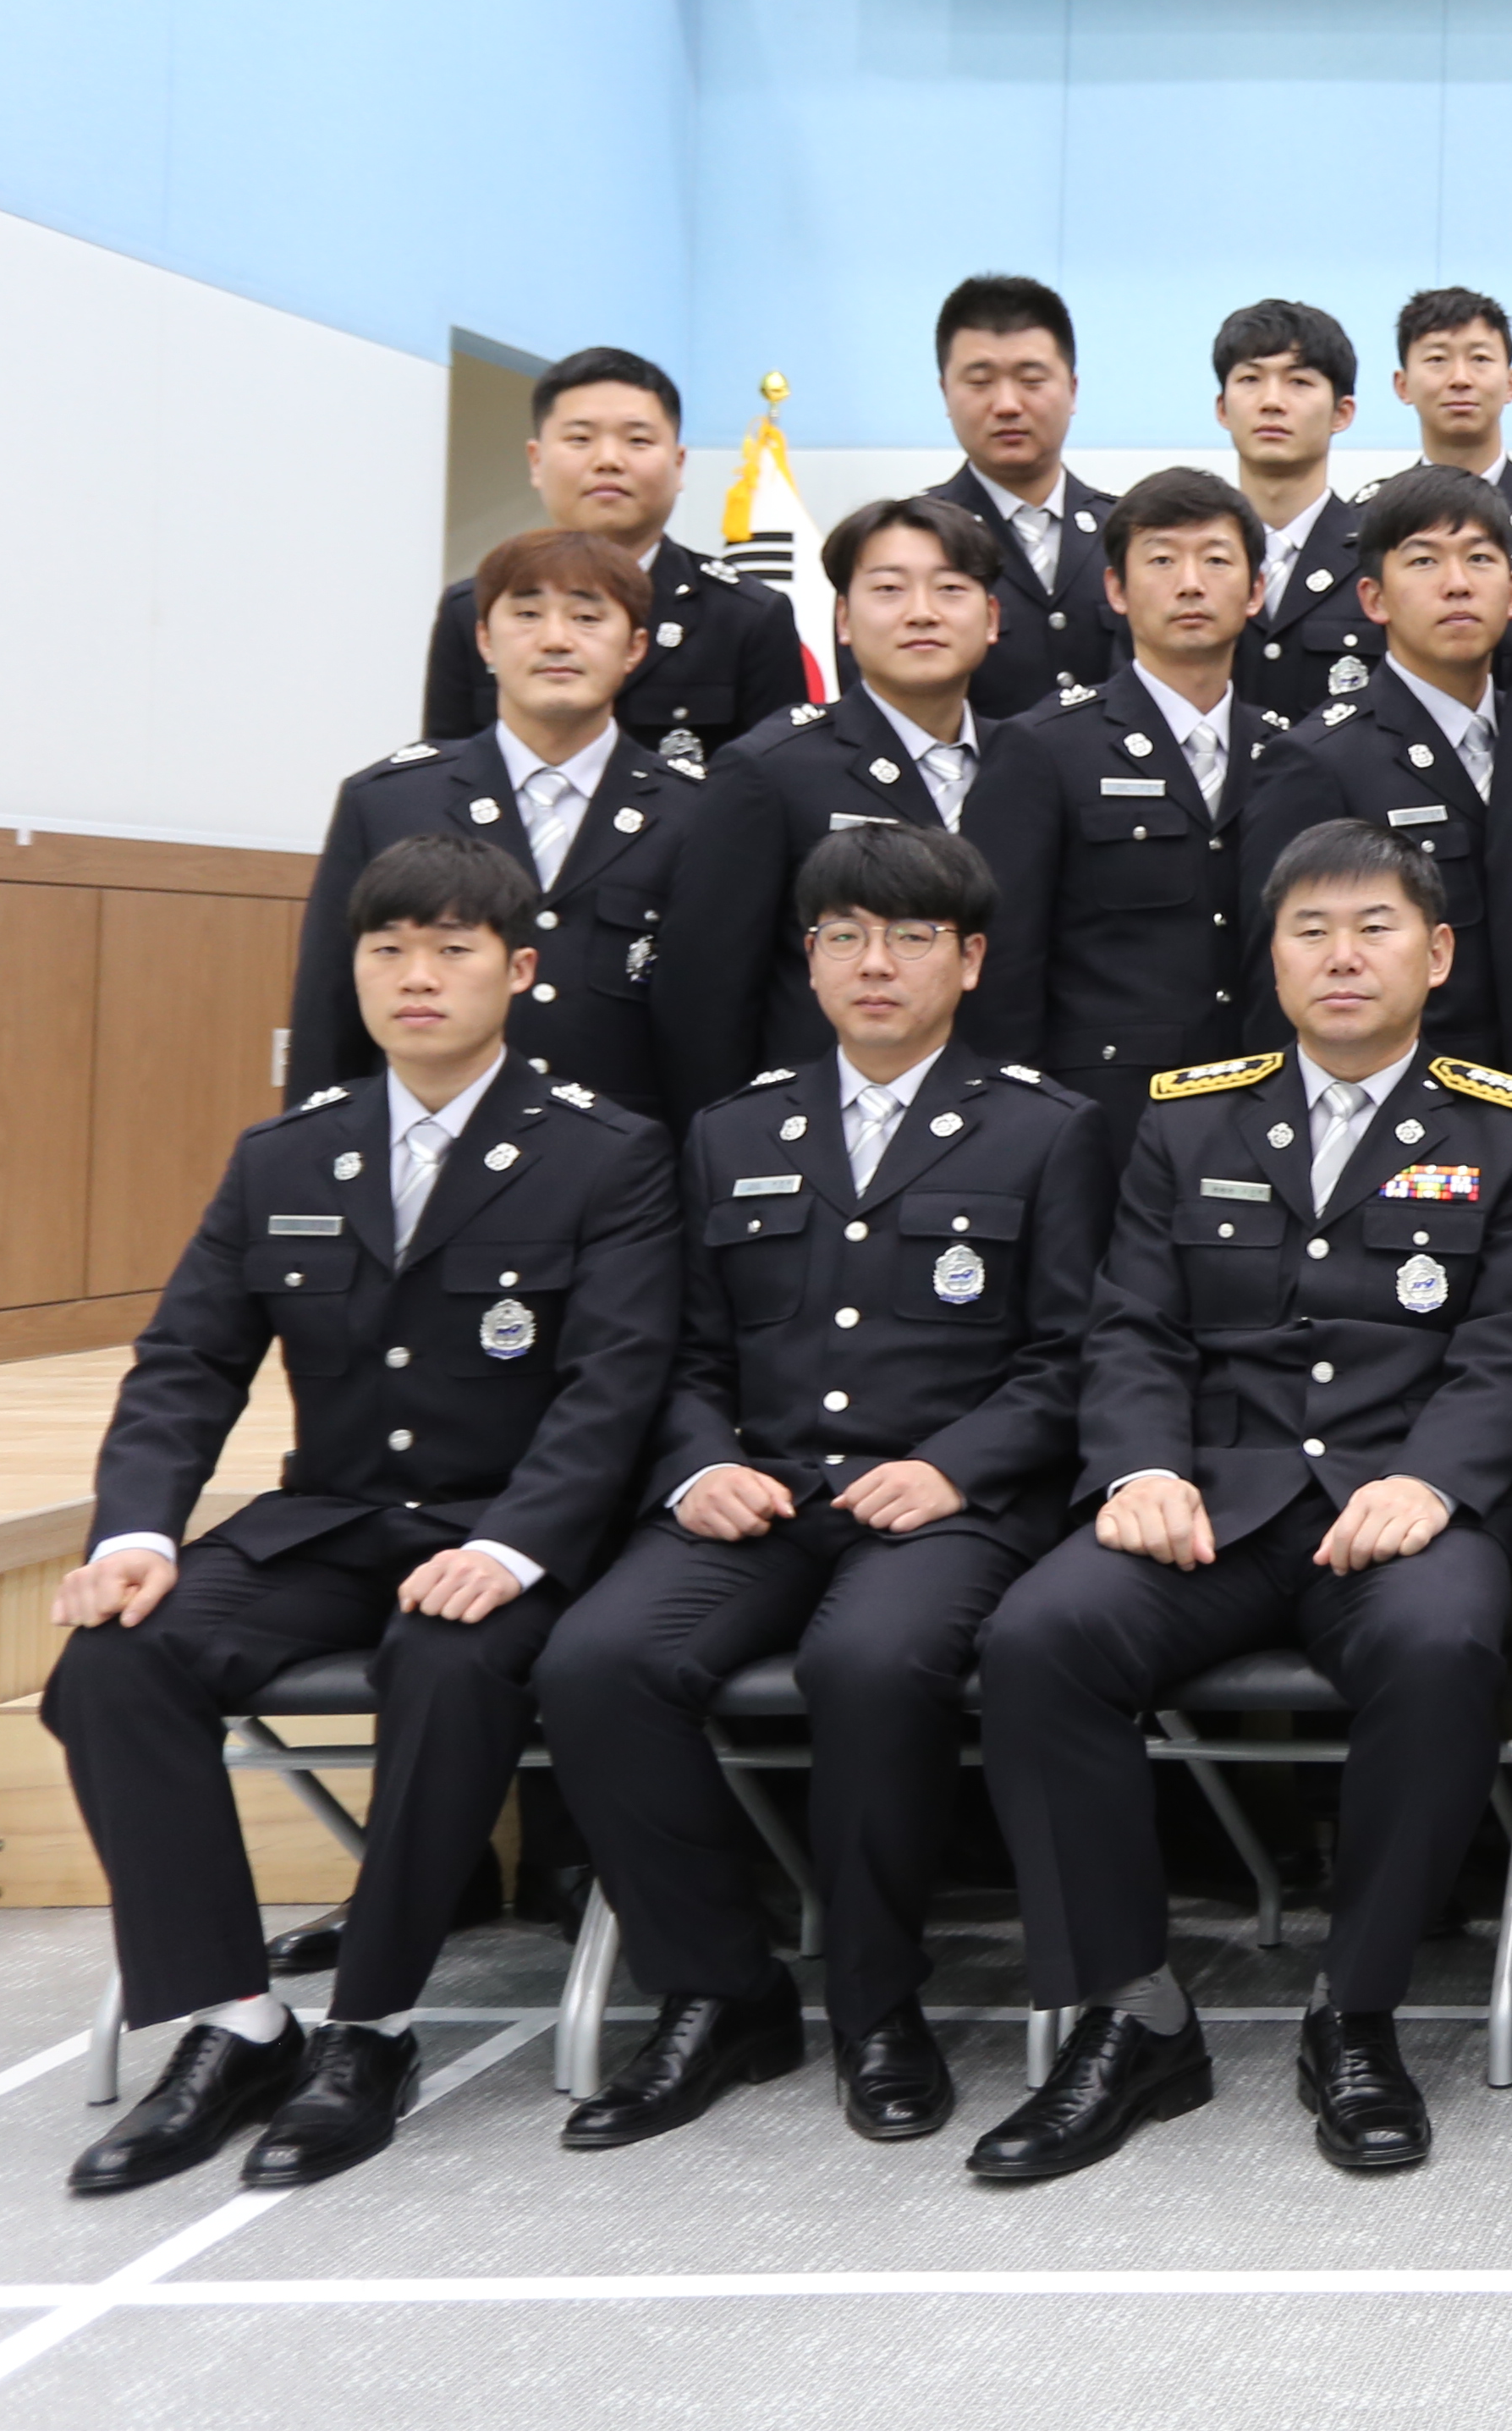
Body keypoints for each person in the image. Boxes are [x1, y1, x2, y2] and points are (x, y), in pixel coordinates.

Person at [51, 836, 679, 2195]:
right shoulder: (287, 1154)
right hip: (328, 1523)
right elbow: (188, 1362)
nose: (416, 977)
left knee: (447, 1666)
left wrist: (513, 1546)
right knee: (113, 1661)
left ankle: (372, 2029)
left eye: (453, 950)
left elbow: (616, 1382)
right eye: (388, 950)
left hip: (507, 1531)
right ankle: (236, 2023)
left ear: (520, 971)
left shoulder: (604, 1154)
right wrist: (134, 1536)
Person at [961, 822, 1512, 2181]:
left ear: (1438, 953)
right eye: (1312, 930)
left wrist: (1432, 1479)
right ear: (1273, 957)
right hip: (1215, 1502)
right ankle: (1133, 2014)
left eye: (1375, 928)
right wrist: (1140, 1467)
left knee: (1443, 1648)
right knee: (1039, 1637)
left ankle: (1357, 2013)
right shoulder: (1188, 1116)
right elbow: (1133, 1325)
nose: (1343, 956)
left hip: (1404, 1504)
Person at [538, 825, 1113, 2151]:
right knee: (596, 1662)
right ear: (808, 960)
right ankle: (719, 1990)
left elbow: (1075, 1356)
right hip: (765, 1492)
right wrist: (700, 1465)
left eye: (911, 937)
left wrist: (955, 1464)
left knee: (871, 1664)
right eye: (845, 936)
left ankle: (877, 2005)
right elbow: (680, 1354)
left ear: (970, 961)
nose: (876, 964)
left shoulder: (1046, 1129)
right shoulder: (733, 1130)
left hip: (949, 1504)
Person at [661, 495, 1058, 1103]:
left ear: (991, 617)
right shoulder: (771, 768)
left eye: (951, 589)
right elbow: (706, 992)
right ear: (843, 619)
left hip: (1004, 1120)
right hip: (816, 1122)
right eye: (889, 590)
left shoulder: (1034, 762)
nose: (922, 613)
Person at [300, 530, 706, 1120]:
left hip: (632, 1154)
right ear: (485, 641)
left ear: (635, 647)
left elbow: (712, 1022)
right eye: (527, 614)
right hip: (430, 1144)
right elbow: (328, 1012)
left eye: (587, 617)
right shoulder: (388, 802)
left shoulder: (698, 811)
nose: (556, 639)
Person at [1236, 465, 1512, 1092]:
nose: (1457, 584)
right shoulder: (1318, 760)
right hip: (1405, 1102)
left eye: (1479, 559)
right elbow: (1282, 983)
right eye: (1424, 561)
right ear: (1374, 598)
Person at [1009, 466, 1285, 1112]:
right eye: (1161, 560)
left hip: (1262, 1104)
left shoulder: (1287, 752)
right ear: (1117, 589)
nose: (1190, 583)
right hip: (1103, 1109)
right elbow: (1008, 966)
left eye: (1216, 559)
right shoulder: (1046, 747)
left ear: (1255, 591)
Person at [416, 348, 805, 772]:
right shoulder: (475, 607)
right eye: (580, 439)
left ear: (678, 465)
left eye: (638, 440)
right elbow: (444, 779)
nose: (608, 461)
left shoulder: (747, 615)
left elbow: (774, 784)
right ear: (536, 461)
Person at [915, 273, 1119, 718]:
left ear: (1072, 390)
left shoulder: (1128, 535)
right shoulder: (912, 542)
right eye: (980, 381)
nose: (1007, 404)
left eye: (1031, 380)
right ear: (945, 393)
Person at [1218, 296, 1383, 722]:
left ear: (1342, 413)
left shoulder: (1381, 557)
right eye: (1251, 379)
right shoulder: (1188, 560)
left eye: (1299, 382)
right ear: (1222, 409)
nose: (1272, 402)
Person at [1388, 284, 1512, 567]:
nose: (1460, 379)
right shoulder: (1368, 520)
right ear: (1402, 385)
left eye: (1480, 359)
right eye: (1437, 359)